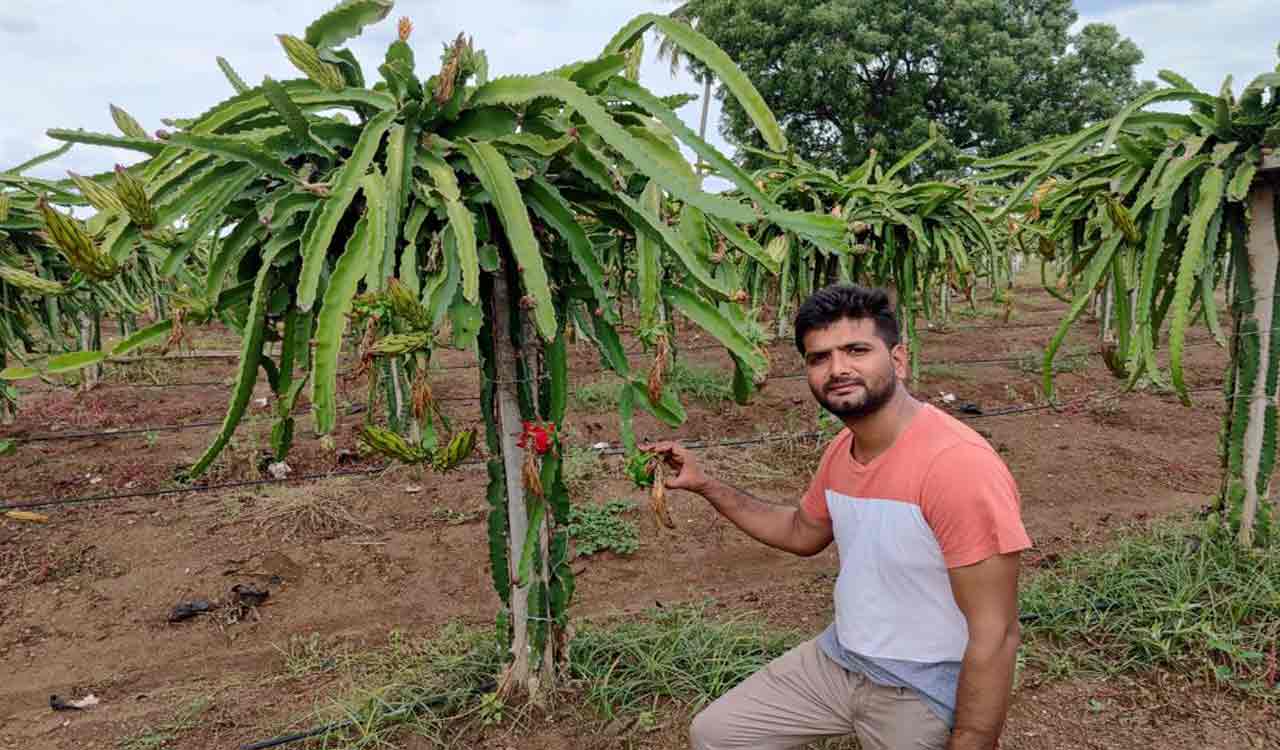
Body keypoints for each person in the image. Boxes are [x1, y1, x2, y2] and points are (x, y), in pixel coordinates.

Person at [643, 284, 1032, 750]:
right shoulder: (841, 451)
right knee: (718, 734)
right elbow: (801, 532)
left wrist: (971, 739)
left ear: (899, 360)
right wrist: (707, 484)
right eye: (819, 358)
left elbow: (997, 631)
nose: (838, 369)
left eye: (856, 350)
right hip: (841, 659)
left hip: (921, 686)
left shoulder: (957, 466)